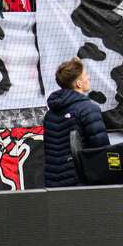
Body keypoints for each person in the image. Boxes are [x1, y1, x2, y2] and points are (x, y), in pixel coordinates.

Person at [42, 57, 109, 188]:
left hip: (52, 184)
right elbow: (101, 150)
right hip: (80, 185)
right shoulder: (89, 109)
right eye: (86, 75)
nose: (89, 77)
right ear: (78, 83)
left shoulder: (49, 114)